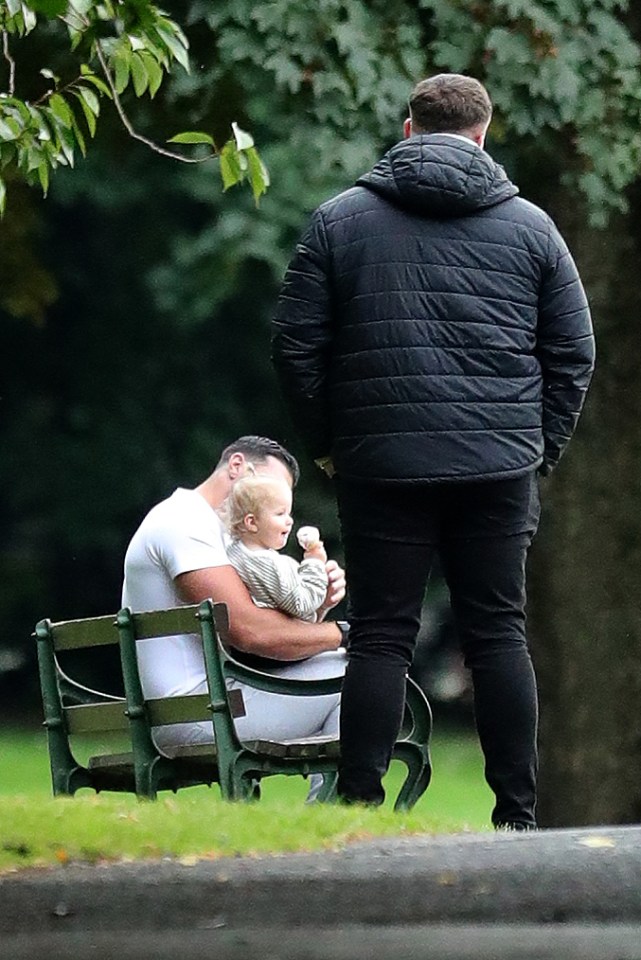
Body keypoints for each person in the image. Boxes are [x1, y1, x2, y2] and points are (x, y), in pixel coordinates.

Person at [272, 73, 595, 827]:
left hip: (379, 462)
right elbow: (573, 351)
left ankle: (357, 803)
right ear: (483, 135)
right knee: (496, 632)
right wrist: (536, 447)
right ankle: (515, 815)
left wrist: (327, 446)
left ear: (408, 128)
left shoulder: (337, 222)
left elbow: (294, 346)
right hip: (498, 466)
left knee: (383, 633)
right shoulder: (532, 227)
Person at [121, 436, 346, 755]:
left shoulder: (210, 533)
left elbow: (260, 641)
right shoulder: (185, 522)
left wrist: (316, 605)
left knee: (348, 665)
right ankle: (335, 804)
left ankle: (330, 803)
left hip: (201, 706)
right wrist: (345, 633)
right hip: (196, 715)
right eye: (267, 487)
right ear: (236, 465)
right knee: (359, 669)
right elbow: (250, 632)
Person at [224, 473, 329, 623]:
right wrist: (315, 564)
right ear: (252, 523)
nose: (290, 521)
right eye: (280, 513)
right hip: (284, 640)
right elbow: (302, 604)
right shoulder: (269, 564)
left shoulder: (233, 553)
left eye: (289, 513)